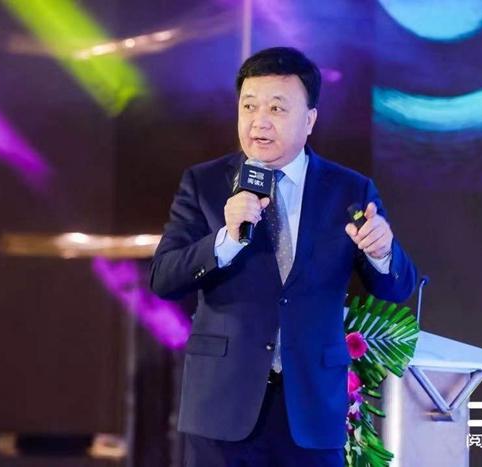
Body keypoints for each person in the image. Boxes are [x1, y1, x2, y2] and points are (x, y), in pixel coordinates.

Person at [150, 47, 417, 467]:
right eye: (249, 106)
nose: (259, 121)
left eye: (276, 108)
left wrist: (382, 252)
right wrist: (226, 239)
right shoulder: (205, 183)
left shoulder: (349, 190)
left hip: (311, 410)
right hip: (222, 407)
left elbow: (397, 288)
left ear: (309, 120)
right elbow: (164, 278)